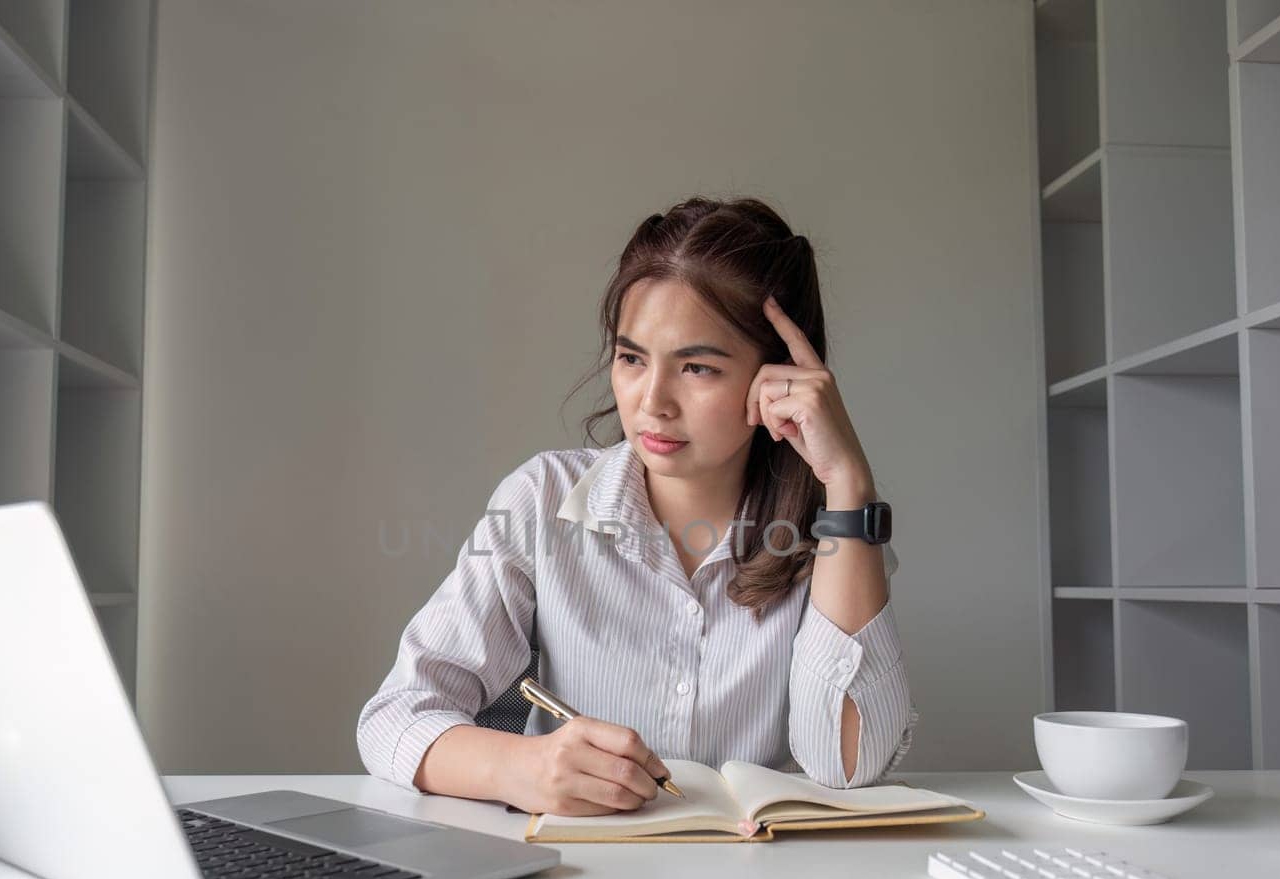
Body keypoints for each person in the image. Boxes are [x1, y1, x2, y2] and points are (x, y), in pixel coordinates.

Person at [356, 195, 913, 816]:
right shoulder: (542, 500)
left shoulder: (831, 531)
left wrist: (848, 484)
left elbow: (848, 767)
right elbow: (393, 719)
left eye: (697, 367)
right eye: (631, 359)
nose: (653, 403)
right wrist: (522, 768)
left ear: (777, 376)